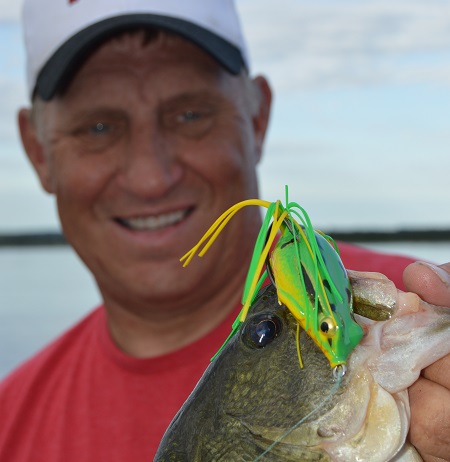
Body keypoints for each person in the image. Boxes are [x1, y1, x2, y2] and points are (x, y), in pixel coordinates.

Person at [0, 0, 448, 460]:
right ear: (37, 150)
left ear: (258, 117)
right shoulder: (7, 431)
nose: (151, 176)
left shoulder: (422, 296)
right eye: (97, 127)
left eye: (190, 114)